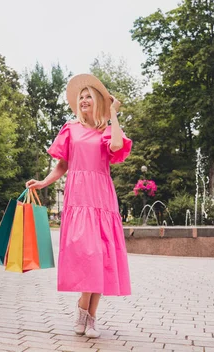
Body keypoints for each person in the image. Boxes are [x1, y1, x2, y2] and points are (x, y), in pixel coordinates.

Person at [26, 74, 132, 339]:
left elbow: (117, 146)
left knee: (100, 254)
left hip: (102, 199)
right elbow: (62, 164)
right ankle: (85, 311)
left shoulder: (107, 129)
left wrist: (113, 114)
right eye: (80, 97)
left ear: (97, 101)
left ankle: (88, 315)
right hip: (78, 198)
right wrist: (44, 182)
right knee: (88, 253)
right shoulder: (70, 128)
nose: (83, 100)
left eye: (88, 97)